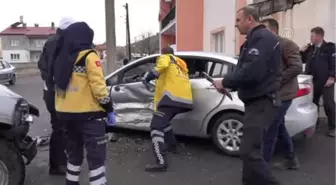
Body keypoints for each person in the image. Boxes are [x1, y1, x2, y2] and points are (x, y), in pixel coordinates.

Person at [213, 6, 282, 185]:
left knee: (249, 152)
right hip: (256, 102)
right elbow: (248, 73)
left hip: (262, 103)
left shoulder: (262, 38)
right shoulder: (254, 40)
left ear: (249, 19)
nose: (236, 25)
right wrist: (232, 86)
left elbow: (252, 72)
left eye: (238, 20)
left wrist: (225, 81)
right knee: (250, 153)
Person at [53, 22, 116, 185]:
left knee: (74, 157)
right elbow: (99, 88)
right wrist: (109, 108)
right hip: (89, 116)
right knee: (96, 160)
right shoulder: (89, 56)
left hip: (65, 115)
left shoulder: (60, 57)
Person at [142, 47, 193, 172]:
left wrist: (148, 77)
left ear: (163, 53)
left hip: (171, 99)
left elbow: (160, 67)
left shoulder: (166, 58)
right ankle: (172, 146)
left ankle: (161, 161)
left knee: (155, 127)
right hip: (184, 100)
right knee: (164, 122)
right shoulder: (180, 64)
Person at [37, 17, 77, 175]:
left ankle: (59, 162)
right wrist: (55, 83)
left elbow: (41, 64)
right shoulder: (61, 42)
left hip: (50, 92)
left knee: (59, 127)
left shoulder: (51, 41)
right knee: (60, 128)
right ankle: (57, 165)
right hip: (57, 93)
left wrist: (49, 81)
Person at [261, 18, 302, 169]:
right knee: (279, 126)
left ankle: (262, 167)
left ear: (273, 30)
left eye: (264, 29)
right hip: (271, 93)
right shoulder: (265, 46)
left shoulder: (287, 44)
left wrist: (277, 82)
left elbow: (297, 67)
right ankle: (291, 159)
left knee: (271, 127)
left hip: (284, 94)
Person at [301, 27, 336, 137]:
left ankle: (333, 127)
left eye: (312, 36)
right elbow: (301, 60)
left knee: (328, 104)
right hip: (312, 81)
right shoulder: (310, 49)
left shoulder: (330, 48)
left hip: (326, 81)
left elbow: (334, 63)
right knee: (312, 104)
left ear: (319, 36)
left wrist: (333, 77)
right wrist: (301, 51)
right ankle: (314, 124)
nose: (310, 38)